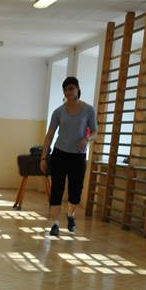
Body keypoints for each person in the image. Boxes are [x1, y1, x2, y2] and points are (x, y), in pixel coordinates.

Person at [40, 76, 97, 237]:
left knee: (75, 191)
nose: (68, 92)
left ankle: (70, 215)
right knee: (57, 189)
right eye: (65, 89)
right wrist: (43, 157)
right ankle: (55, 223)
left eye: (71, 88)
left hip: (78, 157)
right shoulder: (58, 112)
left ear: (78, 89)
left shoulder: (88, 110)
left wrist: (87, 139)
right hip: (59, 154)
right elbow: (50, 135)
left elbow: (95, 132)